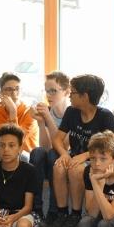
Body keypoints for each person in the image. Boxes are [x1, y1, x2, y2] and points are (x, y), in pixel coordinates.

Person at [46, 73, 114, 227]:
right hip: (73, 156)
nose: (70, 96)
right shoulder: (71, 112)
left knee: (76, 169)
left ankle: (76, 216)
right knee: (58, 166)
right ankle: (62, 213)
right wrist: (64, 154)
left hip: (95, 162)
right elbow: (57, 140)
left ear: (84, 96)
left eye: (72, 93)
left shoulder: (105, 116)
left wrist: (86, 156)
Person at [28, 71, 72, 217]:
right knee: (37, 152)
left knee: (55, 153)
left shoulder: (72, 113)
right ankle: (37, 209)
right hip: (50, 163)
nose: (49, 95)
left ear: (66, 92)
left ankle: (54, 211)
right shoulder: (49, 112)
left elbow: (64, 146)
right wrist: (41, 123)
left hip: (66, 163)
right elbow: (45, 146)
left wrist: (48, 117)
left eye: (53, 91)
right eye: (47, 91)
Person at [0, 72, 39, 157]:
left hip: (24, 156)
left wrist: (13, 112)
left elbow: (17, 142)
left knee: (21, 155)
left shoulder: (29, 112)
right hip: (4, 154)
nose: (14, 93)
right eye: (9, 89)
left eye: (17, 88)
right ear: (1, 93)